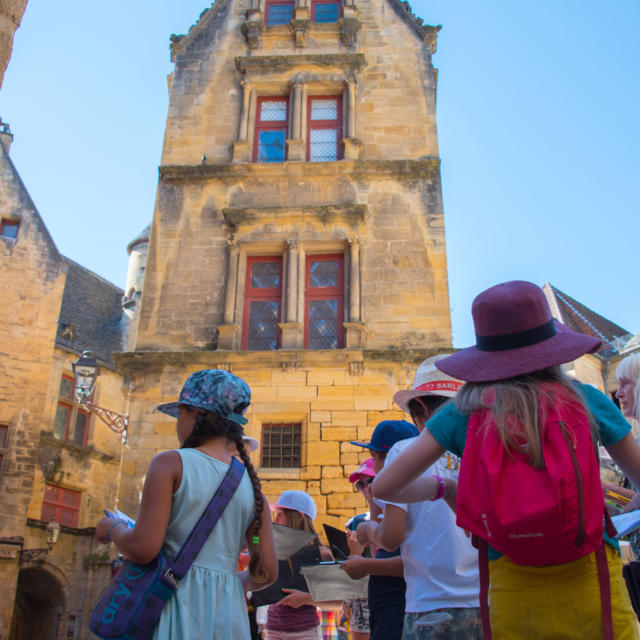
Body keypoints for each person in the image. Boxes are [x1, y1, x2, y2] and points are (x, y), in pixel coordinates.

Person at [373, 281, 640, 639]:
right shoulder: (586, 399)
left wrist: (445, 488)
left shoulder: (462, 413)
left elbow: (385, 485)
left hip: (510, 582)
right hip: (590, 577)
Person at [94, 369, 278, 640]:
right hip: (228, 617)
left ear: (195, 415)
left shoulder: (170, 464)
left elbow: (144, 549)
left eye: (179, 413)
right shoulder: (253, 489)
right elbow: (266, 569)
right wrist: (229, 583)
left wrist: (113, 528)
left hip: (173, 606)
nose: (177, 422)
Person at [356, 356, 481, 639]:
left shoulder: (404, 451)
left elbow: (391, 537)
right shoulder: (483, 446)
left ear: (420, 407)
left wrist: (368, 531)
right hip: (487, 598)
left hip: (431, 601)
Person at [342, 420, 418, 640]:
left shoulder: (411, 497)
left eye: (374, 460)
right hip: (384, 608)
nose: (373, 469)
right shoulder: (371, 513)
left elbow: (415, 561)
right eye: (361, 484)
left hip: (401, 609)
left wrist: (365, 564)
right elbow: (383, 550)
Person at [264, 490, 333, 640]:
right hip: (272, 632)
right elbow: (254, 542)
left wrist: (306, 598)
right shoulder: (273, 549)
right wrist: (255, 536)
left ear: (298, 517)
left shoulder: (322, 554)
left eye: (280, 514)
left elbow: (339, 602)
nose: (275, 521)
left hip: (305, 634)